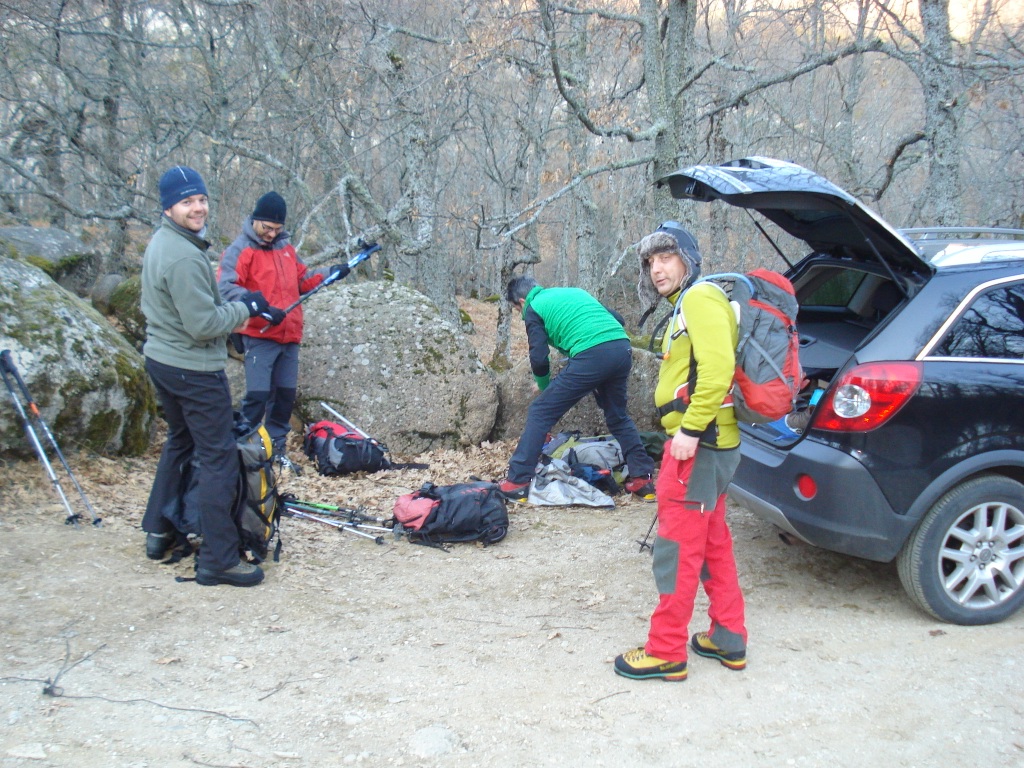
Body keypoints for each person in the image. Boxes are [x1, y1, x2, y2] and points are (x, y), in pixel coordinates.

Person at [614, 222, 747, 681]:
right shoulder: (690, 304)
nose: (657, 269)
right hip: (713, 445)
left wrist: (690, 430)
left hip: (699, 446)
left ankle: (666, 650)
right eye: (650, 261)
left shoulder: (699, 298)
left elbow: (718, 369)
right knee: (712, 546)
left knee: (675, 547)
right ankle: (728, 637)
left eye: (666, 257)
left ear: (688, 259)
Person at [140, 165, 280, 587]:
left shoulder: (171, 241)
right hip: (192, 370)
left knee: (180, 442)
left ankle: (159, 529)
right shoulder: (181, 254)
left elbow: (199, 301)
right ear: (169, 207)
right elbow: (202, 324)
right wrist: (249, 310)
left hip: (164, 361)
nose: (197, 207)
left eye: (200, 199)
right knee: (218, 456)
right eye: (187, 202)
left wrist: (243, 304)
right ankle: (218, 559)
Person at [217, 191, 348, 470]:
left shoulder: (286, 249)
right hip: (259, 334)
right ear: (255, 221)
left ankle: (276, 449)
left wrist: (332, 273)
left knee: (285, 395)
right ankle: (245, 448)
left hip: (290, 336)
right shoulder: (241, 250)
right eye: (267, 228)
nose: (271, 234)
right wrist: (261, 308)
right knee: (257, 395)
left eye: (277, 229)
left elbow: (302, 280)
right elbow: (227, 287)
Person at [497, 276, 657, 503]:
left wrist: (543, 386)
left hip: (591, 354)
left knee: (540, 412)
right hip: (621, 348)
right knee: (618, 416)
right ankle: (642, 478)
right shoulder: (573, 292)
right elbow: (618, 319)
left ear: (520, 302)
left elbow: (539, 358)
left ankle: (518, 481)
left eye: (517, 309)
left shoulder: (534, 308)